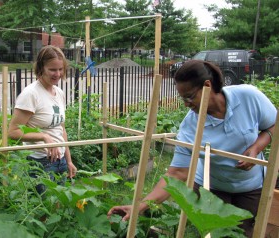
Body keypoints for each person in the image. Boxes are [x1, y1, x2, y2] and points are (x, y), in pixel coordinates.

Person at [107, 60, 277, 237]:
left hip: (250, 186)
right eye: (183, 99)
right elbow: (176, 174)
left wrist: (256, 147)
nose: (186, 104)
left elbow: (274, 125)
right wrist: (140, 205)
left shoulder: (247, 97)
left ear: (207, 86)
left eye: (189, 97)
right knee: (215, 233)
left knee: (244, 232)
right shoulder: (191, 125)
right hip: (211, 187)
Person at [8, 45, 77, 194]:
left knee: (59, 208)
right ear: (41, 68)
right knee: (43, 210)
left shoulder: (59, 92)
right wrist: (43, 136)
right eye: (52, 69)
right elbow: (12, 132)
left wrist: (69, 161)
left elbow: (61, 130)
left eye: (60, 69)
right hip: (40, 162)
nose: (57, 74)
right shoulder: (31, 94)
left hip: (61, 161)